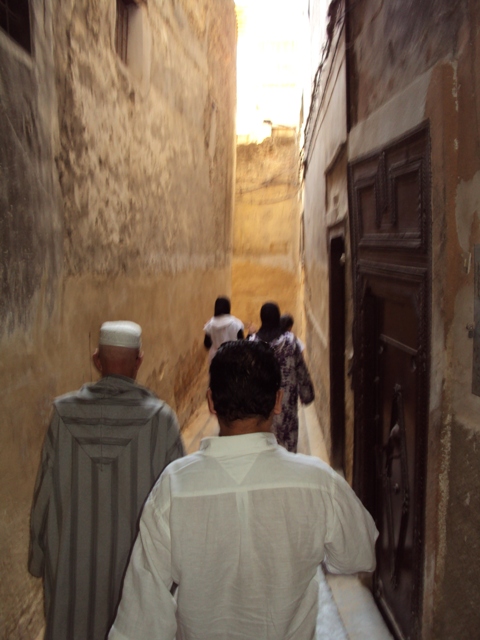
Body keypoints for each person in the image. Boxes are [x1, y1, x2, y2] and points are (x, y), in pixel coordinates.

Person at [108, 340, 378, 640]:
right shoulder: (318, 483)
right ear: (278, 400)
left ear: (211, 402)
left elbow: (142, 616)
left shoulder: (174, 487)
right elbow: (359, 555)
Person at [29, 321, 185, 640]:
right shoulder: (161, 420)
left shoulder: (63, 415)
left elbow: (44, 495)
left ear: (97, 360)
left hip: (72, 573)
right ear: (139, 361)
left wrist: (38, 557)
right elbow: (179, 505)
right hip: (136, 578)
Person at [250, 302, 314, 452]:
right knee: (287, 445)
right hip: (286, 403)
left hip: (261, 406)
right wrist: (306, 394)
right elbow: (301, 369)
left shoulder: (252, 343)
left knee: (264, 447)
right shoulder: (290, 341)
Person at [203, 296, 244, 362]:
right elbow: (242, 344)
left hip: (215, 358)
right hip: (233, 357)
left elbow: (207, 344)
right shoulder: (236, 324)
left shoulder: (210, 325)